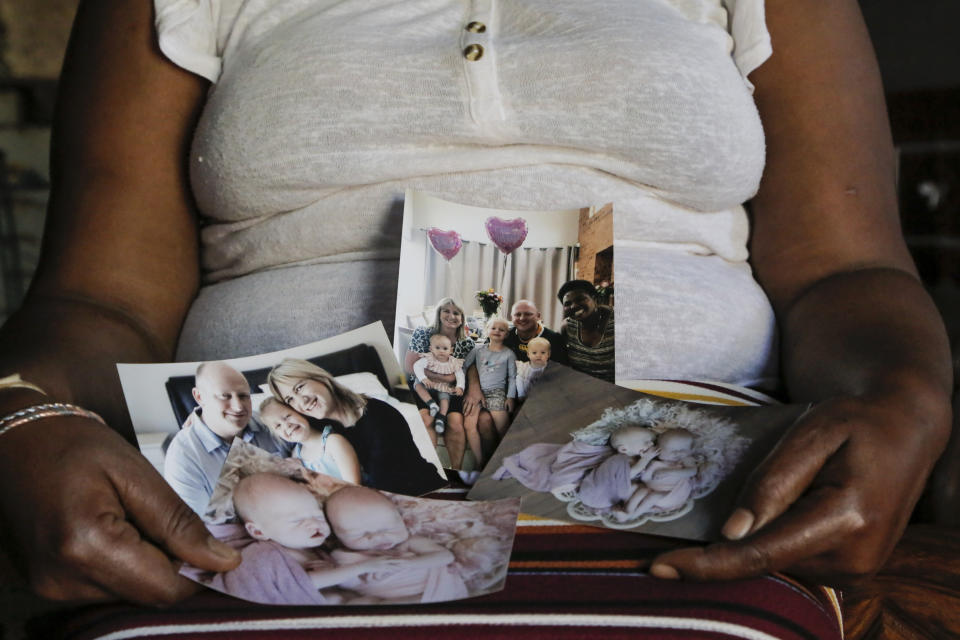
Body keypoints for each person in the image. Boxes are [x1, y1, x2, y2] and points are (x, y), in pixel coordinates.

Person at [0, 0, 951, 610]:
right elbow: (95, 296)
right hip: (257, 528)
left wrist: (903, 395)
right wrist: (23, 411)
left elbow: (846, 272)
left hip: (699, 508)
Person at [266, 358, 445, 496]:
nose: (301, 401)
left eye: (299, 388)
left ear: (320, 378)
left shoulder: (378, 416)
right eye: (290, 399)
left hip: (423, 492)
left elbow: (385, 484)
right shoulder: (316, 427)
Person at [214, 472, 399, 605]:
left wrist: (334, 570)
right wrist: (363, 567)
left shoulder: (316, 550)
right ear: (259, 532)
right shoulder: (262, 555)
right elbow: (304, 584)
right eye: (297, 521)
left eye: (318, 516)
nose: (314, 524)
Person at [164, 361, 287, 515]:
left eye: (243, 396)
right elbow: (198, 526)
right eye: (224, 396)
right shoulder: (183, 456)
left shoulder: (269, 424)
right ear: (199, 396)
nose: (238, 407)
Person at [323, 485, 469, 604]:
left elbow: (445, 557)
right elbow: (351, 584)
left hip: (434, 590)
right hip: (384, 597)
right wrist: (336, 570)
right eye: (361, 534)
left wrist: (410, 562)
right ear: (337, 536)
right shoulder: (345, 556)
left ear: (403, 521)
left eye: (387, 529)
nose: (378, 537)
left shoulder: (410, 542)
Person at [404, 298, 476, 468]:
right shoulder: (423, 333)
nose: (451, 316)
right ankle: (429, 469)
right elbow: (410, 366)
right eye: (446, 311)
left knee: (456, 424)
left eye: (456, 313)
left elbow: (467, 371)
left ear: (462, 318)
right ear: (438, 313)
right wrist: (444, 378)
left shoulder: (467, 343)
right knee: (426, 419)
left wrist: (454, 383)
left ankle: (455, 471)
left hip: (449, 391)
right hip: (423, 387)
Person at [258, 397, 361, 485]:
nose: (287, 425)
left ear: (300, 413)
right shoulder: (296, 456)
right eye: (278, 426)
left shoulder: (333, 443)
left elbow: (354, 488)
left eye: (287, 416)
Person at [462, 318, 518, 467]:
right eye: (493, 328)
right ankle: (480, 462)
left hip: (497, 393)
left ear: (506, 334)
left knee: (504, 428)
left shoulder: (509, 354)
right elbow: (465, 367)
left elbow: (513, 377)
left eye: (502, 330)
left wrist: (510, 397)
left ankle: (508, 460)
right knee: (469, 424)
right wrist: (463, 388)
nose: (497, 331)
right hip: (477, 393)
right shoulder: (477, 350)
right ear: (487, 330)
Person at [557, 280, 615, 383]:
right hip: (580, 387)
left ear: (595, 299)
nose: (574, 306)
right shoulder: (567, 327)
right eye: (567, 303)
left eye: (580, 299)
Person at [410, 333, 465, 435]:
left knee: (445, 398)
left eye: (445, 348)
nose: (441, 351)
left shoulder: (453, 362)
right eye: (437, 348)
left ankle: (441, 417)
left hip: (442, 386)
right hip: (429, 384)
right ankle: (432, 404)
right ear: (431, 349)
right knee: (417, 384)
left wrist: (460, 386)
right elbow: (417, 366)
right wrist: (424, 379)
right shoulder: (429, 358)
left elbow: (460, 375)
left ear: (451, 350)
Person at [503, 300, 568, 365]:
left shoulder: (555, 339)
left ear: (538, 316)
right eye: (517, 314)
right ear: (511, 317)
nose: (522, 318)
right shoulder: (505, 336)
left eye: (528, 314)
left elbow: (561, 370)